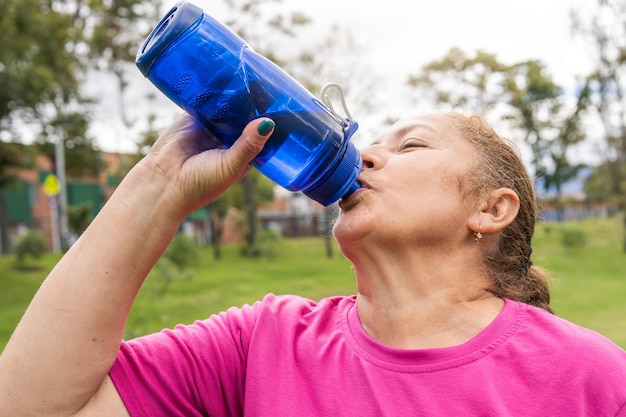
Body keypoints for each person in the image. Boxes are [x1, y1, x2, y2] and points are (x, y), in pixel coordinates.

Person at [0, 112, 625, 417]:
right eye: (373, 144)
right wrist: (160, 183)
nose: (368, 157)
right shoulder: (260, 344)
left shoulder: (589, 378)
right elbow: (29, 406)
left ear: (492, 209)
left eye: (409, 145)